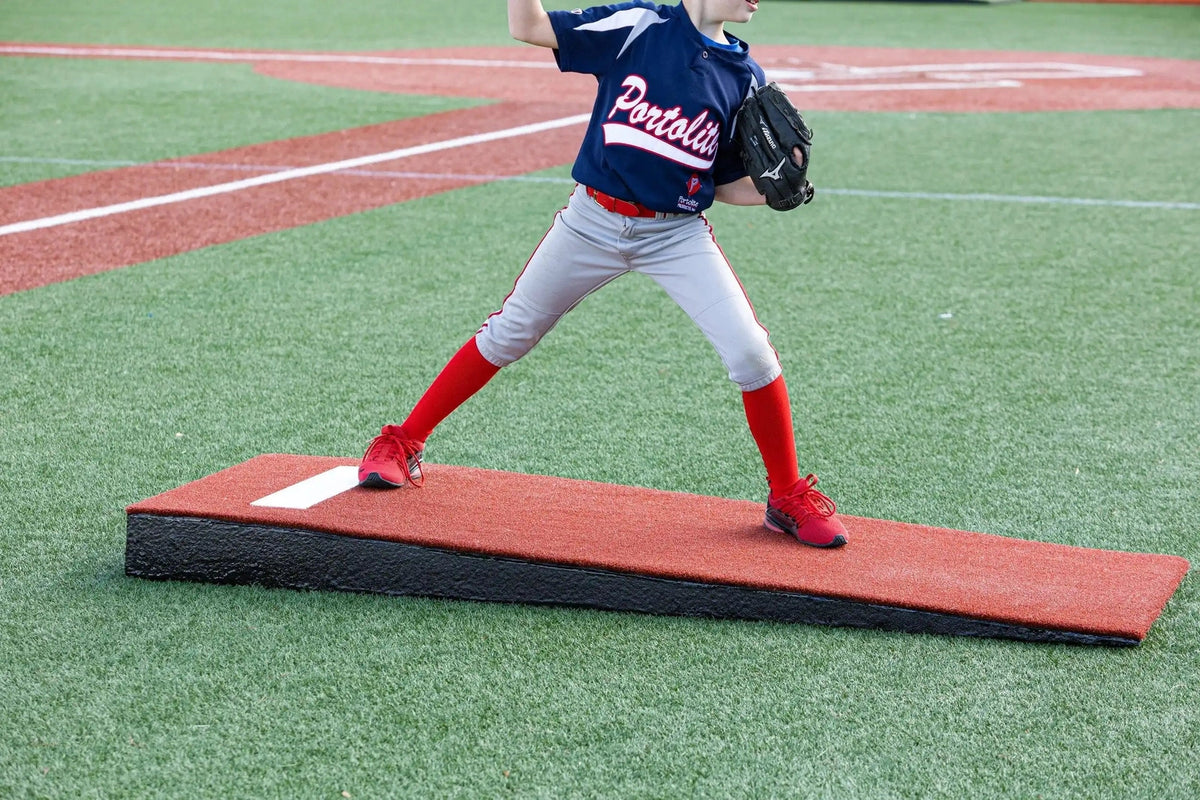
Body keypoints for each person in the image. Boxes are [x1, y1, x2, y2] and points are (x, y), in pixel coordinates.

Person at [358, 0, 847, 548]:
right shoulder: (638, 27)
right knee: (510, 331)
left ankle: (785, 496)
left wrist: (776, 189)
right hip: (591, 221)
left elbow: (723, 184)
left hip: (675, 236)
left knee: (751, 353)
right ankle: (402, 442)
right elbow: (529, 27)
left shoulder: (745, 77)